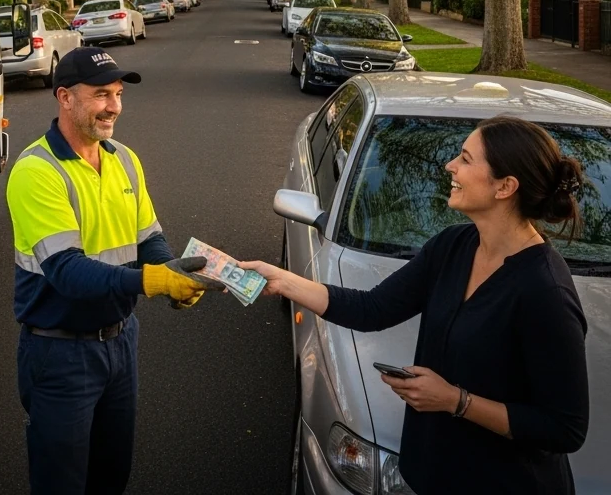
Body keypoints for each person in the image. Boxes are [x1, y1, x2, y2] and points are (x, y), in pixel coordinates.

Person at [240, 115, 589, 495]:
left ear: (504, 187)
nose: (449, 165)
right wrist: (284, 280)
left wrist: (457, 401)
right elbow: (373, 308)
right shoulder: (454, 246)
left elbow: (564, 428)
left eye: (466, 159)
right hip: (433, 475)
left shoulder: (545, 291)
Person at [5, 46, 216, 495]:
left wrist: (173, 271)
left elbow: (149, 238)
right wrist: (151, 281)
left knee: (111, 475)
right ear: (64, 97)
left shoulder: (123, 158)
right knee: (61, 485)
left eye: (118, 94)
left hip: (120, 344)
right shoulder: (36, 171)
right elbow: (67, 272)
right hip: (59, 355)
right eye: (101, 94)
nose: (114, 106)